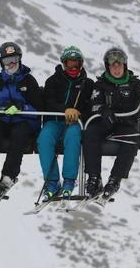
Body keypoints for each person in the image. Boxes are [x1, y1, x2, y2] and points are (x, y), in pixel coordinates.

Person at [82, 47, 140, 198]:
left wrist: (137, 115)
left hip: (125, 123)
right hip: (105, 122)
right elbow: (95, 103)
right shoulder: (101, 84)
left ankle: (115, 179)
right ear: (108, 67)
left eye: (119, 65)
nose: (116, 69)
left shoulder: (134, 84)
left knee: (131, 140)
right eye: (113, 66)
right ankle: (94, 177)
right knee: (90, 135)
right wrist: (104, 111)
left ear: (125, 66)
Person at [0, 42, 42, 192]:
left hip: (25, 121)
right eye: (7, 61)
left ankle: (9, 175)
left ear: (20, 59)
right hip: (3, 119)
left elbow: (39, 107)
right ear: (1, 62)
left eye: (14, 59)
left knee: (19, 134)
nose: (11, 63)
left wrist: (21, 108)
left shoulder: (28, 80)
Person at [36, 46, 94, 201]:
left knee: (73, 137)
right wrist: (65, 109)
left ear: (81, 64)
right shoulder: (53, 81)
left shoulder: (87, 84)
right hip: (55, 121)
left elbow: (90, 106)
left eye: (76, 64)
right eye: (69, 64)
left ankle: (69, 180)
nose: (73, 68)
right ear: (63, 64)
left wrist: (79, 113)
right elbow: (48, 102)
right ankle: (52, 182)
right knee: (45, 138)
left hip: (74, 123)